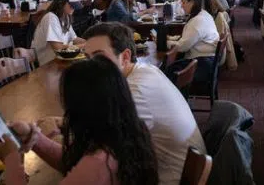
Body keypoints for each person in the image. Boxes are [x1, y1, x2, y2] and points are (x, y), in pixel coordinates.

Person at [0, 56, 159, 185]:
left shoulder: (98, 164)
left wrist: (11, 158)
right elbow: (74, 163)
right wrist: (34, 138)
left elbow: (88, 168)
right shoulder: (131, 131)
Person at [83, 23, 206, 185]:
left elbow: (98, 159)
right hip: (174, 169)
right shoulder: (144, 70)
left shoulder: (135, 91)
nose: (90, 66)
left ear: (125, 57)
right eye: (87, 58)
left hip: (170, 179)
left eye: (99, 57)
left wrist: (42, 141)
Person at [170, 0, 219, 84]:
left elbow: (183, 47)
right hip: (207, 61)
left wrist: (165, 42)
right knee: (171, 68)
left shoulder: (198, 21)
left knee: (167, 72)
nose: (182, 6)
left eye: (183, 2)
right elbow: (190, 38)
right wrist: (173, 39)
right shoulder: (203, 14)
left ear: (192, 2)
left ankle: (177, 98)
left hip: (203, 65)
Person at [31, 0, 85, 65]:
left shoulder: (66, 16)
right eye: (71, 5)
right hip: (47, 64)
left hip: (60, 60)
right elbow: (58, 48)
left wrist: (89, 42)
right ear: (61, 3)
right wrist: (83, 45)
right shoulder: (51, 18)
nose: (74, 8)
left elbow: (74, 38)